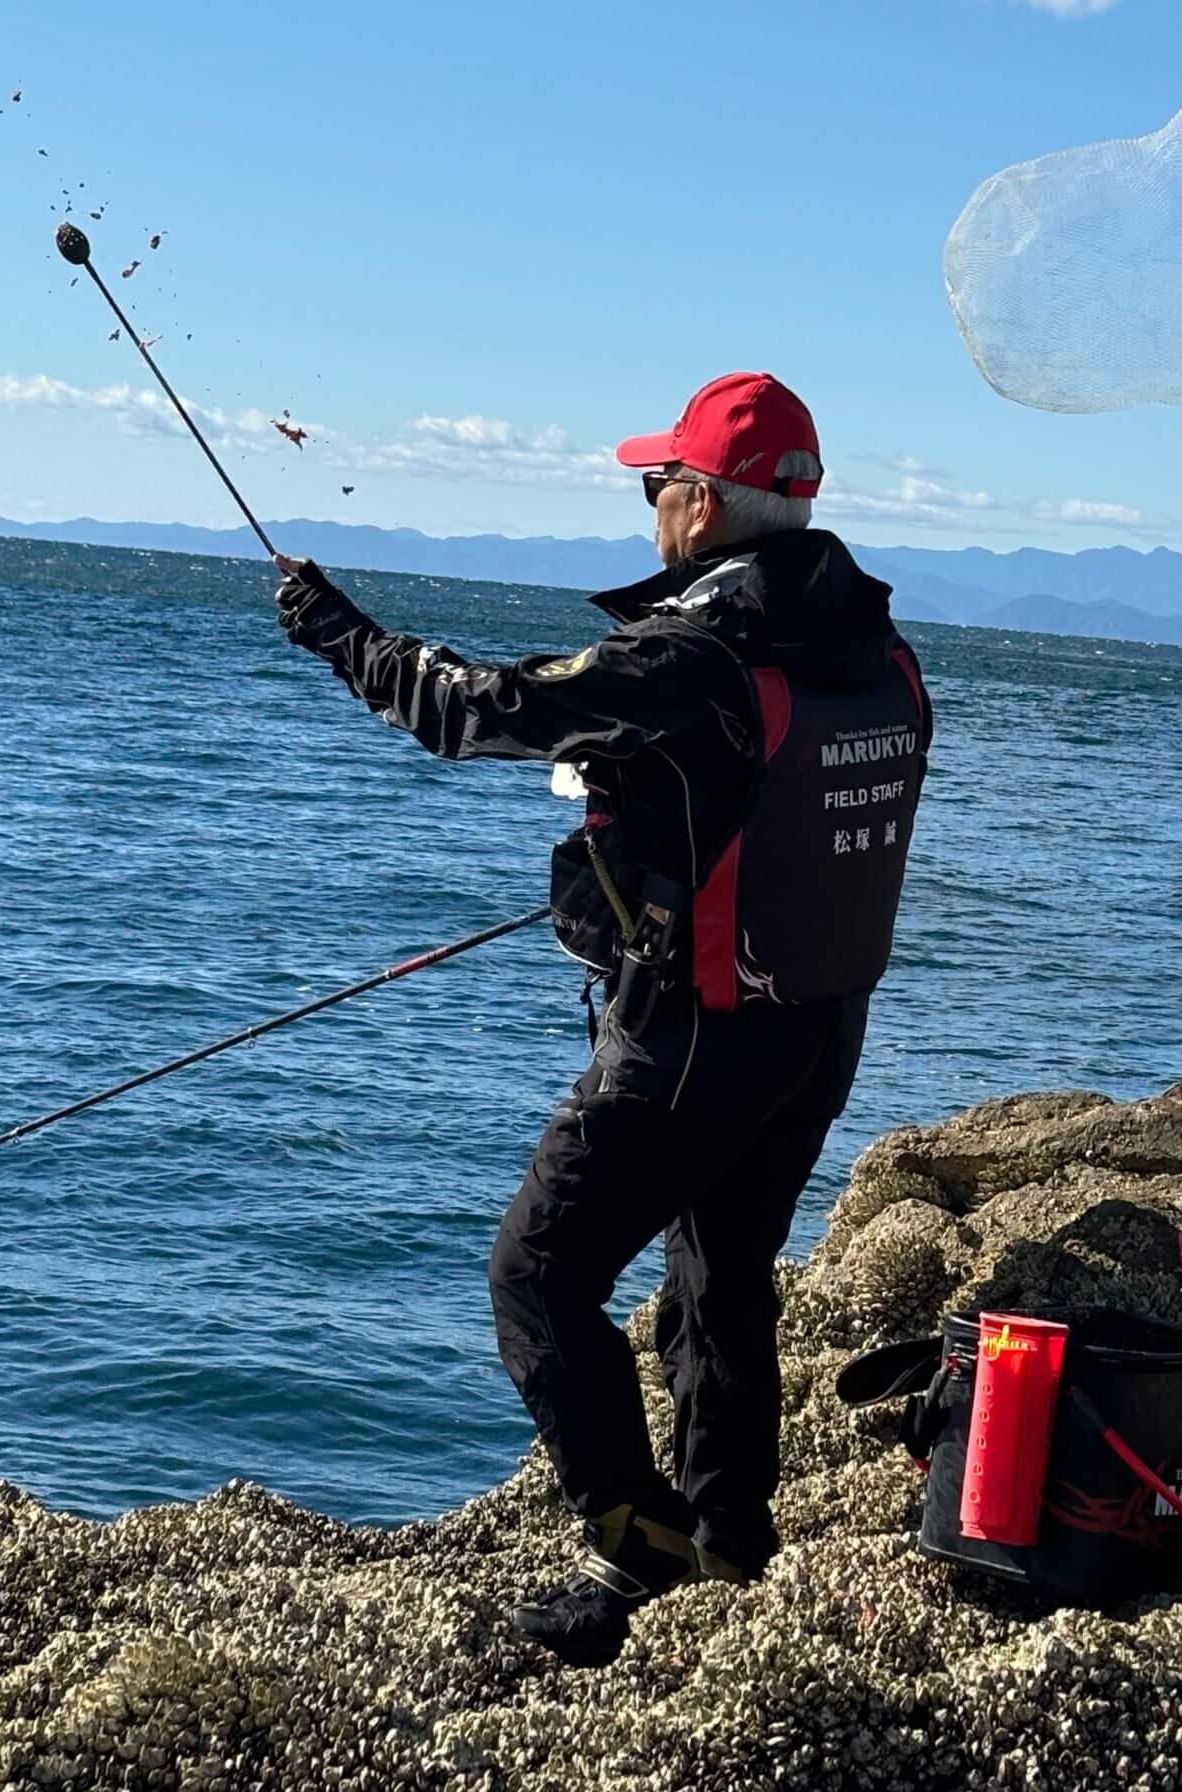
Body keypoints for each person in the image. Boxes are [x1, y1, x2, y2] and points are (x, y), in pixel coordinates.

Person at [272, 372, 930, 1665]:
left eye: (655, 484)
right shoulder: (871, 645)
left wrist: (335, 630)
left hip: (690, 1039)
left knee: (538, 1274)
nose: (648, 507)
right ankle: (728, 1539)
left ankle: (631, 1546)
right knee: (720, 1277)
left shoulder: (695, 654)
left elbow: (472, 710)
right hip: (816, 1031)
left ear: (707, 502)